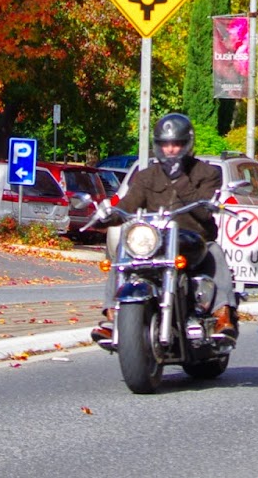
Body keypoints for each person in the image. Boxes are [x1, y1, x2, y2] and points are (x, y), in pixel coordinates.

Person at [91, 112, 236, 345]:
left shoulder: (206, 173)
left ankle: (222, 314)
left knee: (215, 252)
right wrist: (106, 216)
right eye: (165, 144)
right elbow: (128, 204)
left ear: (187, 144)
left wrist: (179, 179)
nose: (170, 149)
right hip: (155, 240)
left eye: (176, 143)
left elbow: (204, 211)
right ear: (157, 145)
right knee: (121, 252)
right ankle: (113, 315)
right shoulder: (146, 176)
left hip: (193, 240)